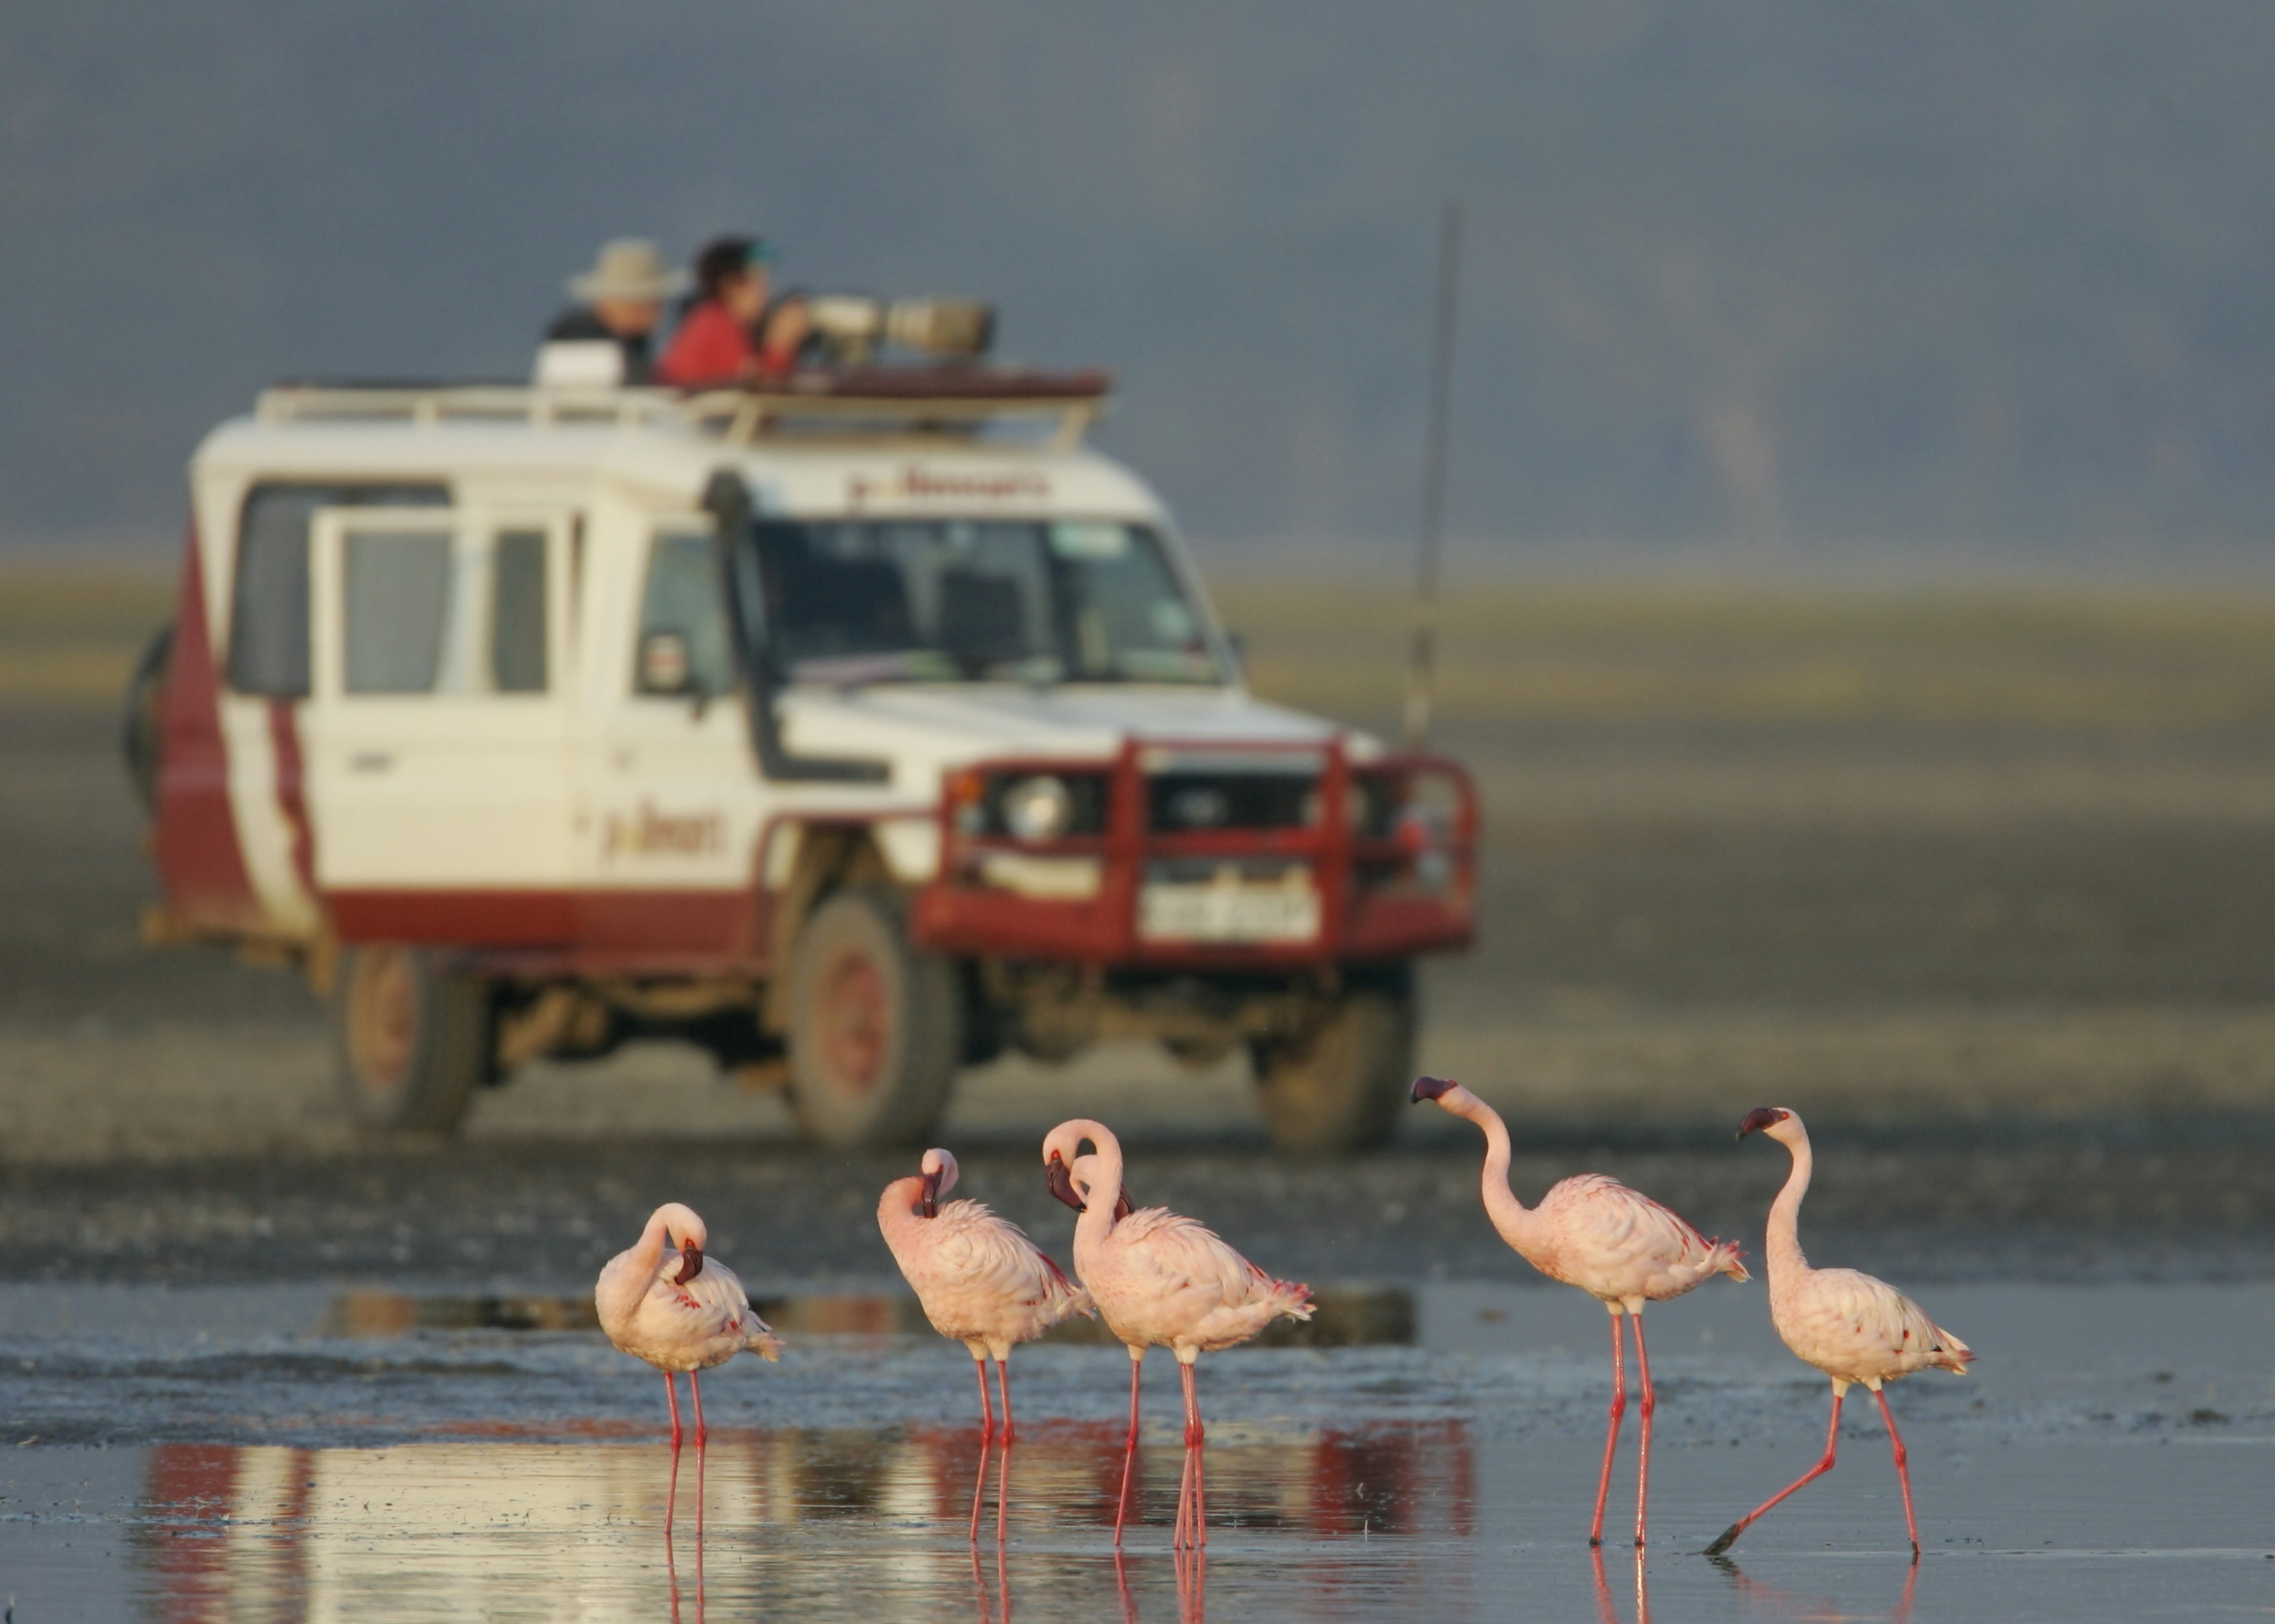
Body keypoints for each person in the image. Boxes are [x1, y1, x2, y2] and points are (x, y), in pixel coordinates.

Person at [545, 239, 687, 384]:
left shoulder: (633, 342)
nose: (654, 315)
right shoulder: (580, 342)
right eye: (637, 306)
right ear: (605, 303)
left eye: (656, 305)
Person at [655, 237, 773, 386]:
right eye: (759, 285)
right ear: (730, 287)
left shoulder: (706, 318)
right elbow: (757, 389)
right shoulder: (720, 326)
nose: (766, 294)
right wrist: (781, 347)